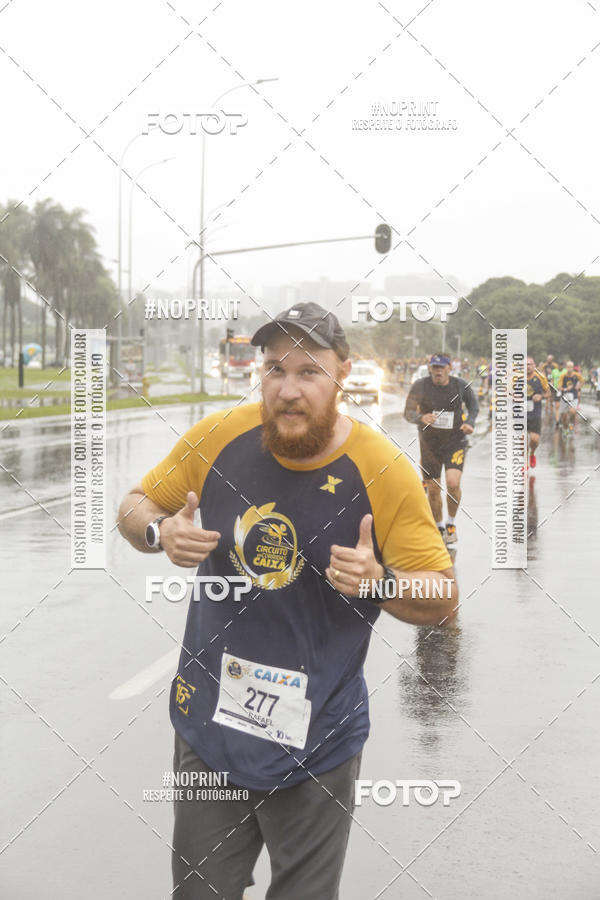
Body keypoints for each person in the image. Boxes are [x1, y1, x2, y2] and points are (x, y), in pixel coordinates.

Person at [118, 301, 457, 900]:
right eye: (275, 369)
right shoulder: (219, 438)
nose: (288, 389)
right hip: (209, 729)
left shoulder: (382, 469)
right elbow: (135, 504)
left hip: (319, 742)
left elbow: (442, 593)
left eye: (309, 372)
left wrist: (379, 582)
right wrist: (158, 531)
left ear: (342, 374)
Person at [403, 353, 479, 545]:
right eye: (435, 367)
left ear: (449, 368)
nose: (438, 371)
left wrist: (470, 423)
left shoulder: (460, 385)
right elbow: (408, 412)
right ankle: (438, 528)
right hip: (429, 444)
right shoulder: (420, 385)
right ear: (430, 368)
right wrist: (421, 418)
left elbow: (474, 406)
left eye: (441, 367)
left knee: (453, 484)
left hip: (455, 441)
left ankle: (451, 524)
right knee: (434, 489)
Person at [526, 357, 549, 469]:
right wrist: (513, 396)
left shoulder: (541, 378)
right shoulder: (516, 378)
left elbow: (549, 393)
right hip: (519, 414)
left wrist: (541, 396)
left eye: (529, 364)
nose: (527, 367)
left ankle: (532, 453)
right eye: (525, 365)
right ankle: (524, 463)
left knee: (534, 440)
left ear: (534, 366)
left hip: (535, 413)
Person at [558, 360, 584, 430]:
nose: (570, 368)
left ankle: (571, 424)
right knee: (564, 417)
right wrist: (566, 389)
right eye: (568, 367)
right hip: (564, 397)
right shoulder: (563, 376)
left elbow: (582, 381)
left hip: (574, 396)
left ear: (573, 367)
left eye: (571, 367)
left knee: (573, 412)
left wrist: (579, 386)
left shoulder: (577, 375)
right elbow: (559, 387)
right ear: (566, 367)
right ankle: (565, 429)